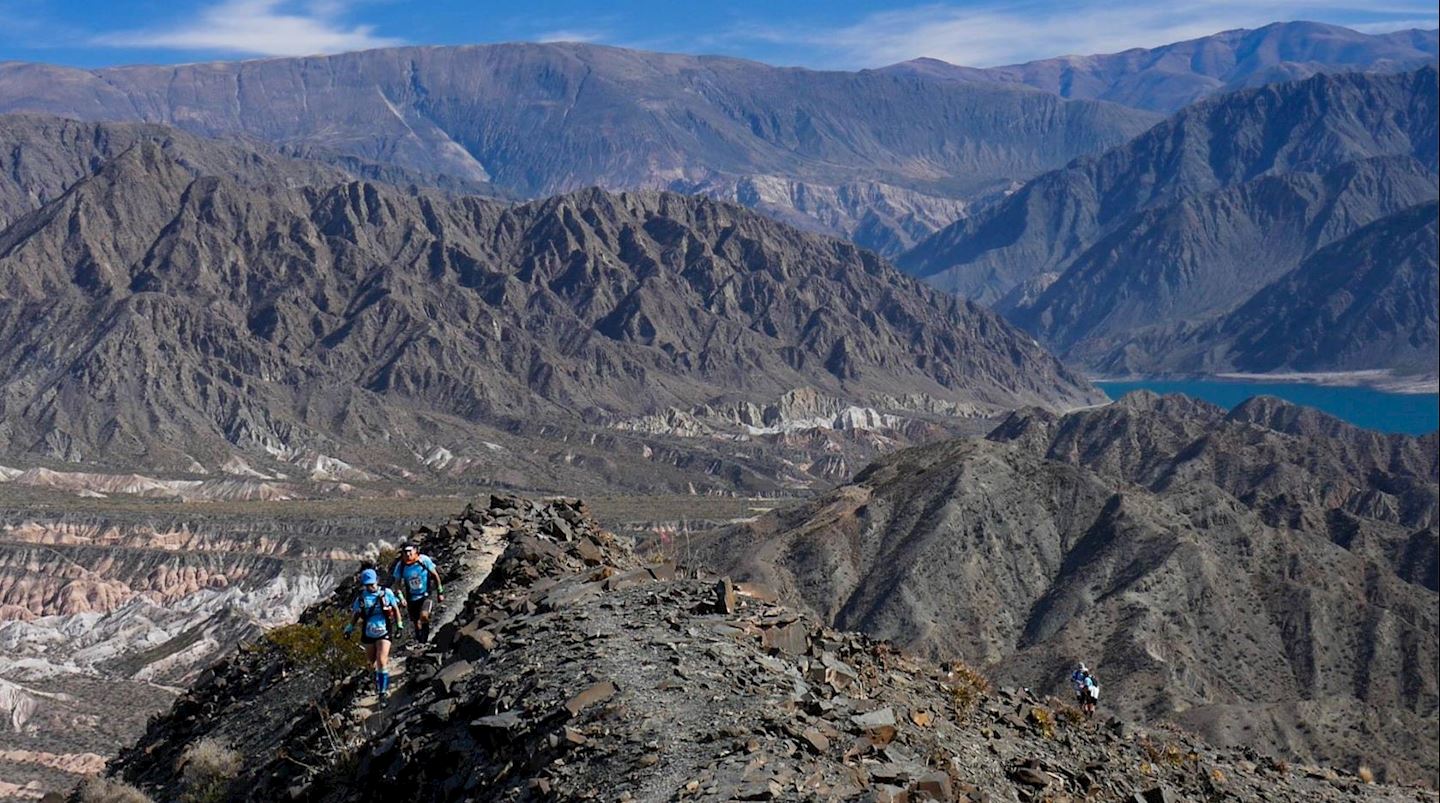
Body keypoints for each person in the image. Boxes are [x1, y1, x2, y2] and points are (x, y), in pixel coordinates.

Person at [344, 569, 402, 700]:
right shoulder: (361, 598)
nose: (371, 586)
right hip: (369, 633)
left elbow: (396, 609)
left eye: (372, 583)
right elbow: (356, 615)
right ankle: (377, 678)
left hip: (384, 631)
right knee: (372, 662)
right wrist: (349, 628)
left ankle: (382, 691)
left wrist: (399, 625)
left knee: (382, 660)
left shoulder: (386, 593)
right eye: (367, 584)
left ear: (377, 580)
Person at [390, 542, 444, 646]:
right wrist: (401, 598)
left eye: (410, 551)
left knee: (423, 616)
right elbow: (397, 585)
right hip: (411, 598)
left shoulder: (424, 560)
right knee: (416, 622)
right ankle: (420, 642)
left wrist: (440, 592)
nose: (408, 554)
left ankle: (425, 640)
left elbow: (435, 575)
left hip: (425, 595)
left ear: (416, 550)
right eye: (405, 552)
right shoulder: (401, 566)